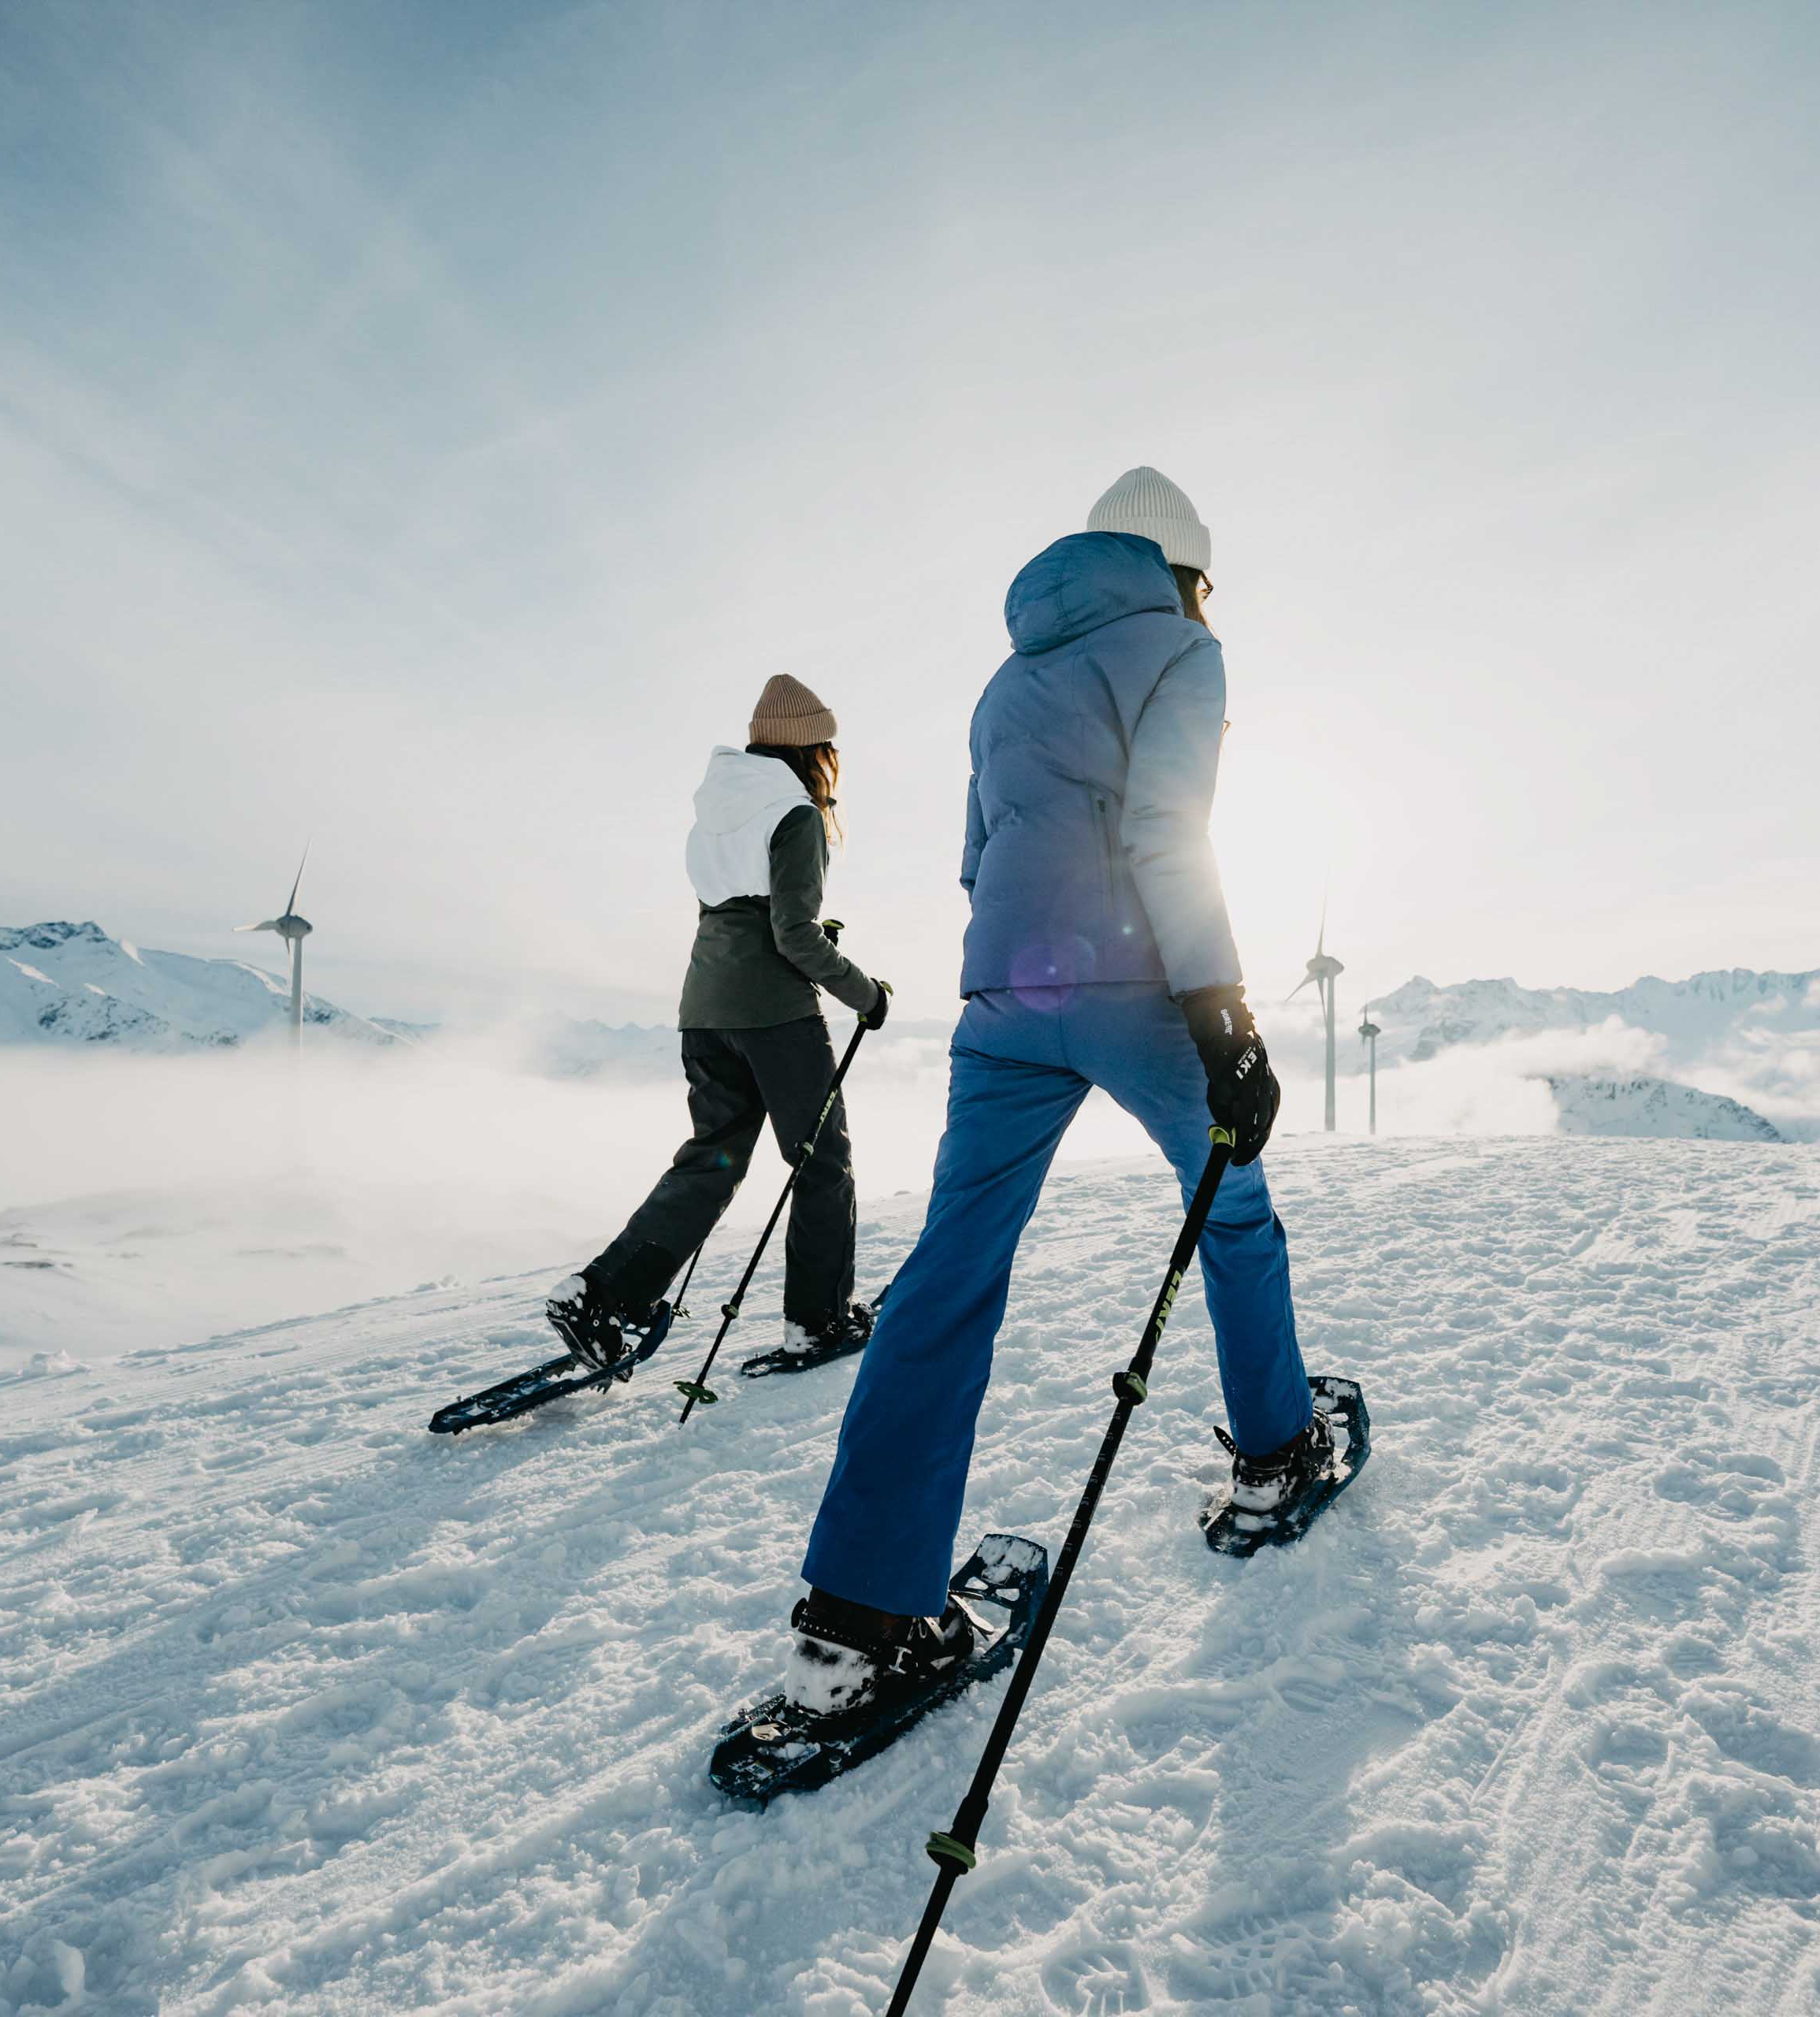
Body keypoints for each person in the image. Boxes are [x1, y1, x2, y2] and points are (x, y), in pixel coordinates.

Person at [782, 467, 1344, 1719]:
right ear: (1185, 572)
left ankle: (859, 1621)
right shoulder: (1181, 650)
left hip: (1004, 1001)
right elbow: (1167, 827)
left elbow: (978, 858)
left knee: (947, 1275)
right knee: (1234, 1219)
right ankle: (1274, 1454)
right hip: (1143, 983)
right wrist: (1220, 1009)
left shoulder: (1007, 676)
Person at [544, 674, 892, 1373]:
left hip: (704, 1009)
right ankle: (817, 1322)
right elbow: (792, 935)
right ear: (813, 750)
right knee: (822, 1164)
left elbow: (735, 911)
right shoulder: (795, 813)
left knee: (713, 1158)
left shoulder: (716, 807)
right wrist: (866, 993)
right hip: (775, 1014)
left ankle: (603, 1294)